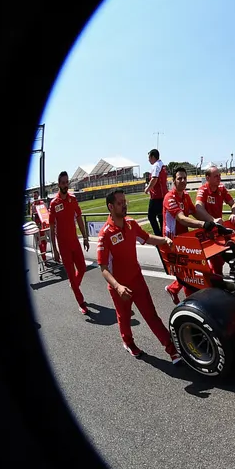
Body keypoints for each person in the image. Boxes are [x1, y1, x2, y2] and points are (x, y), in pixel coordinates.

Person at [95, 189, 180, 361]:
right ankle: (128, 342)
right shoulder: (105, 234)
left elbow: (146, 238)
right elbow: (103, 268)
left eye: (125, 201)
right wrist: (117, 287)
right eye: (120, 203)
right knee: (124, 318)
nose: (124, 205)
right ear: (110, 207)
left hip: (137, 280)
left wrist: (164, 240)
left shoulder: (131, 224)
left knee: (151, 315)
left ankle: (171, 349)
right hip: (119, 287)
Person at [157, 167, 222, 303]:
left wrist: (211, 220)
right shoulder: (169, 198)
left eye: (185, 178)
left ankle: (175, 290)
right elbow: (181, 218)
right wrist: (202, 224)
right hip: (172, 241)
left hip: (184, 239)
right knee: (188, 273)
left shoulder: (185, 196)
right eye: (179, 178)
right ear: (173, 181)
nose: (183, 181)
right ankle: (190, 302)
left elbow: (194, 211)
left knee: (193, 270)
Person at [47, 171, 92, 314]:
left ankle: (74, 286)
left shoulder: (73, 199)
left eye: (67, 182)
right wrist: (54, 249)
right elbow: (52, 227)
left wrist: (85, 237)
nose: (65, 185)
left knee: (83, 268)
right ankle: (81, 302)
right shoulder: (54, 203)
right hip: (63, 245)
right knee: (71, 274)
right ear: (58, 184)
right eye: (63, 183)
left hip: (74, 241)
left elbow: (79, 218)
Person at [146, 149, 168, 236]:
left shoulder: (156, 166)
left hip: (157, 197)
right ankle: (163, 235)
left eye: (149, 157)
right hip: (163, 196)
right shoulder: (162, 165)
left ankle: (158, 235)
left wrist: (147, 188)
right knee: (161, 216)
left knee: (151, 216)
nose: (148, 160)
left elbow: (154, 178)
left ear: (153, 157)